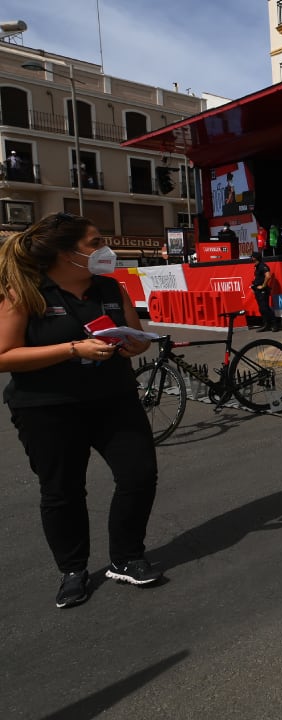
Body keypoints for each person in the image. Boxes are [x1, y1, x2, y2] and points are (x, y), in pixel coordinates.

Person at [0, 212, 162, 609]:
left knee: (139, 474)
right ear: (65, 254)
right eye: (95, 243)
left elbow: (135, 334)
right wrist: (73, 349)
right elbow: (4, 355)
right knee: (62, 492)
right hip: (48, 408)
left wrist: (134, 344)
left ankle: (125, 557)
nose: (104, 250)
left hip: (114, 400)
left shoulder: (111, 287)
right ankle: (72, 571)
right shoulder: (26, 292)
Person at [250, 250, 280, 332]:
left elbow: (268, 276)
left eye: (252, 257)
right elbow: (257, 279)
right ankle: (266, 325)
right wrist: (254, 287)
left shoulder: (263, 266)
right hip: (258, 291)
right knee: (262, 309)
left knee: (265, 308)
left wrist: (263, 286)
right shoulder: (257, 267)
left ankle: (274, 325)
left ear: (255, 258)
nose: (251, 258)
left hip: (263, 291)